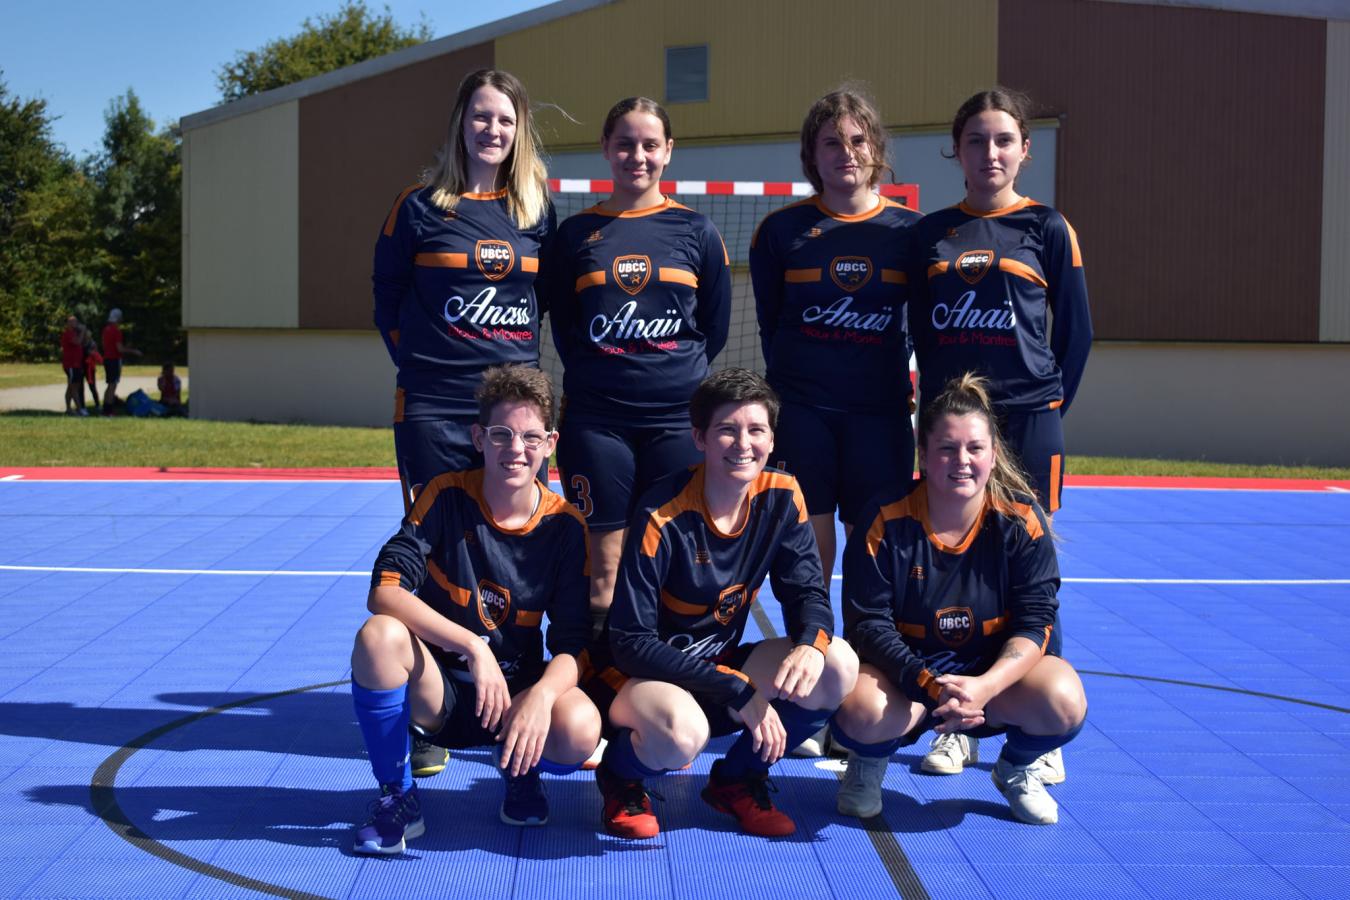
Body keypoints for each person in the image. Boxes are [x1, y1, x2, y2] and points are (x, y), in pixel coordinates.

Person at [582, 368, 858, 840]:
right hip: (642, 677)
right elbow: (629, 642)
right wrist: (738, 691)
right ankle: (620, 775)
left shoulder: (782, 494)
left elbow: (807, 592)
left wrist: (810, 643)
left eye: (756, 430)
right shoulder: (662, 512)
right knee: (681, 732)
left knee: (836, 664)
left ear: (772, 439)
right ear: (700, 438)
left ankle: (736, 780)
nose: (742, 444)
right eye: (727, 430)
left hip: (716, 669)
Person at [907, 86, 1091, 780]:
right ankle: (960, 727)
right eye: (977, 140)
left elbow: (1076, 335)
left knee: (1031, 570)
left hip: (1029, 420)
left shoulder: (1048, 228)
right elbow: (923, 332)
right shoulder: (931, 235)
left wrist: (1044, 406)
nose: (990, 152)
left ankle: (1038, 736)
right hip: (957, 428)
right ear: (957, 149)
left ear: (1024, 150)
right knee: (956, 565)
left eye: (1003, 140)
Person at [349, 365, 600, 855]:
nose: (516, 449)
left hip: (512, 700)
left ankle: (521, 770)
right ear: (479, 437)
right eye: (501, 434)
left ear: (550, 443)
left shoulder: (565, 526)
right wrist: (472, 648)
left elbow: (573, 644)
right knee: (378, 636)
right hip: (440, 692)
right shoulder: (445, 495)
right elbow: (384, 590)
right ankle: (397, 796)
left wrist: (542, 698)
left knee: (581, 727)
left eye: (530, 437)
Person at [831, 373, 1087, 826]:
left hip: (987, 688)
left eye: (974, 448)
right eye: (947, 448)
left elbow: (1036, 622)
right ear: (924, 456)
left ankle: (1015, 767)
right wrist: (928, 684)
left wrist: (984, 688)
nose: (961, 460)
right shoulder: (885, 518)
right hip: (908, 682)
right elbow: (867, 626)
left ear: (993, 455)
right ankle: (868, 762)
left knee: (1063, 697)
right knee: (860, 707)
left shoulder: (1021, 520)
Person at [544, 96, 731, 624]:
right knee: (603, 572)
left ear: (668, 151)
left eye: (650, 145)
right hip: (597, 423)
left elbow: (710, 331)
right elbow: (567, 330)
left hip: (678, 422)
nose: (637, 156)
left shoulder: (697, 232)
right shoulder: (575, 235)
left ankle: (665, 686)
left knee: (674, 567)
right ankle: (598, 688)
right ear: (605, 148)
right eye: (624, 144)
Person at [750, 86, 920, 646]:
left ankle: (871, 672)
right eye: (830, 142)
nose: (845, 152)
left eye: (856, 139)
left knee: (876, 553)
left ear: (876, 148)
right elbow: (773, 327)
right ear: (811, 155)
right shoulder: (781, 232)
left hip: (881, 416)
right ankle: (811, 671)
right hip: (805, 415)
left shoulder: (911, 232)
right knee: (809, 551)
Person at [373, 68, 554, 511]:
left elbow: (542, 301)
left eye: (505, 120)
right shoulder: (417, 206)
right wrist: (427, 365)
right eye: (481, 117)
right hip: (434, 408)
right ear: (460, 122)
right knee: (439, 545)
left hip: (515, 412)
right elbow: (387, 301)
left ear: (519, 130)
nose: (492, 130)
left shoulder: (535, 211)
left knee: (521, 542)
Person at [101, 308, 141, 414]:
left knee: (109, 384)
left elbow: (108, 345)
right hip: (114, 359)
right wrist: (133, 351)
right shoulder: (116, 331)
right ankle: (108, 410)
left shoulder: (106, 329)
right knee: (113, 385)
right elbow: (120, 349)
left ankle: (105, 407)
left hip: (106, 359)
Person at [61, 315, 88, 416]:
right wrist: (82, 332)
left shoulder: (75, 333)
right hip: (71, 365)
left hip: (77, 364)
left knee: (71, 387)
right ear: (68, 324)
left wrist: (83, 332)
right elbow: (77, 342)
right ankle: (80, 409)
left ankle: (68, 408)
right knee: (74, 387)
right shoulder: (68, 334)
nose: (75, 324)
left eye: (76, 321)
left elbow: (84, 341)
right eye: (72, 322)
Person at [82, 336, 102, 410]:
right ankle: (82, 406)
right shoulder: (79, 341)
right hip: (81, 367)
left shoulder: (92, 343)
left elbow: (97, 356)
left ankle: (97, 404)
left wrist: (93, 353)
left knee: (92, 387)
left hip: (90, 368)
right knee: (80, 388)